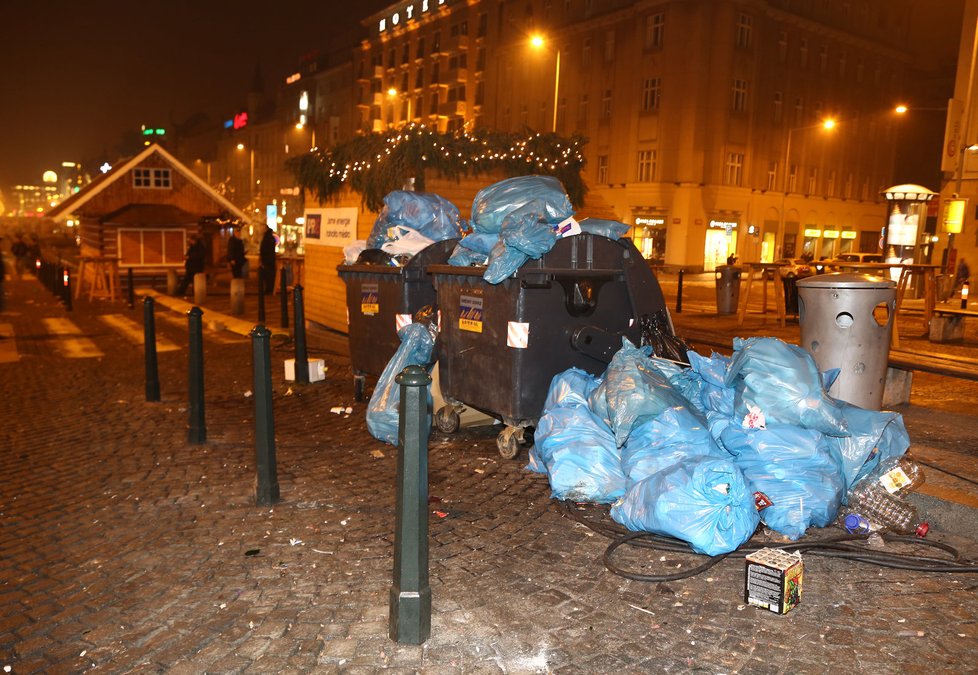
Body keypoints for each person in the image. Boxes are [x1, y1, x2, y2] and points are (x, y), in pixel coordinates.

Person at [259, 225, 277, 295]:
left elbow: (265, 248)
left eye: (262, 228)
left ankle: (269, 289)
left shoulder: (267, 237)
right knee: (270, 275)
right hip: (270, 259)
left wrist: (262, 257)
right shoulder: (270, 236)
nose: (260, 230)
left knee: (268, 275)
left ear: (265, 229)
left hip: (267, 259)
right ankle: (270, 288)